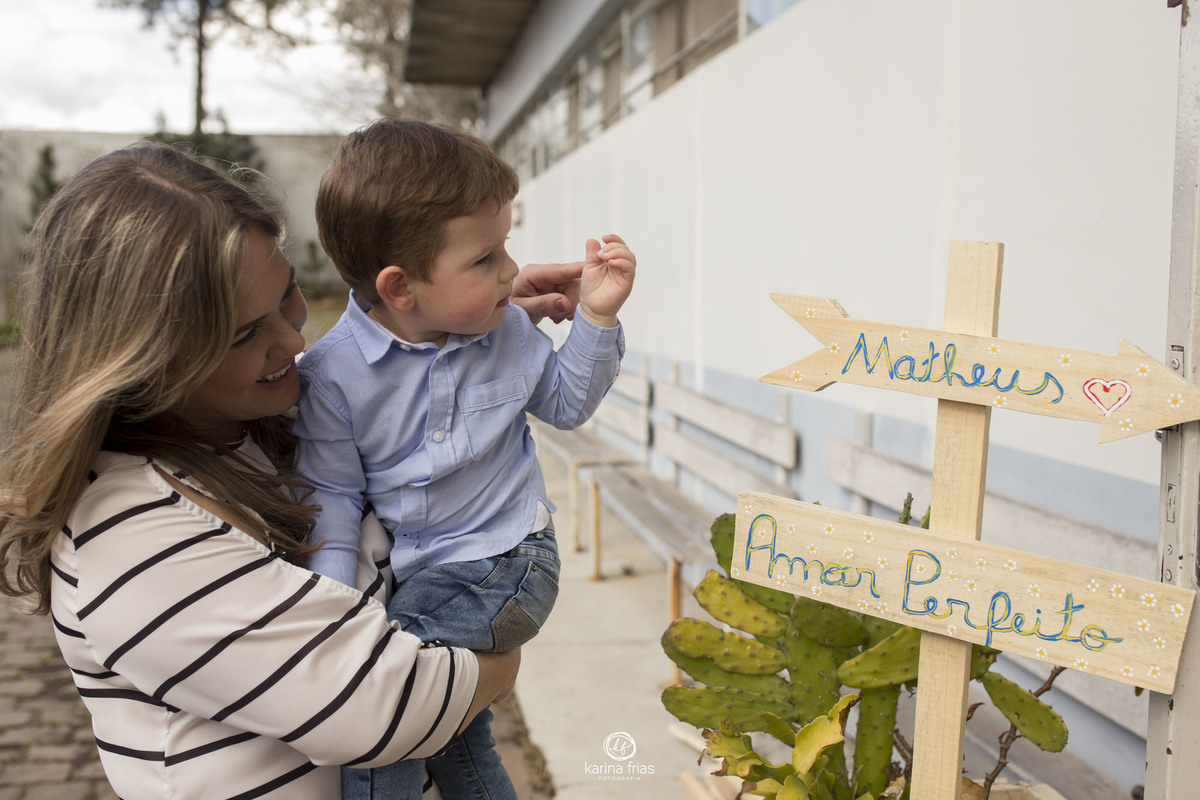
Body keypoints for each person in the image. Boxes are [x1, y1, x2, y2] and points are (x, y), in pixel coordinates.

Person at [0, 141, 582, 800]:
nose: (294, 340)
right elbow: (383, 706)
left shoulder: (265, 421)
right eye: (244, 334)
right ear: (141, 358)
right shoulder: (127, 536)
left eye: (289, 294)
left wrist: (473, 315)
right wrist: (496, 664)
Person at [293, 119, 636, 799]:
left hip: (509, 560)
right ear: (400, 288)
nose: (510, 270)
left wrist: (596, 318)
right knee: (455, 739)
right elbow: (330, 496)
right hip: (422, 577)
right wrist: (334, 613)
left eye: (505, 245)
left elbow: (565, 404)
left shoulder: (506, 326)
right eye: (485, 259)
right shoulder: (331, 378)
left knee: (381, 707)